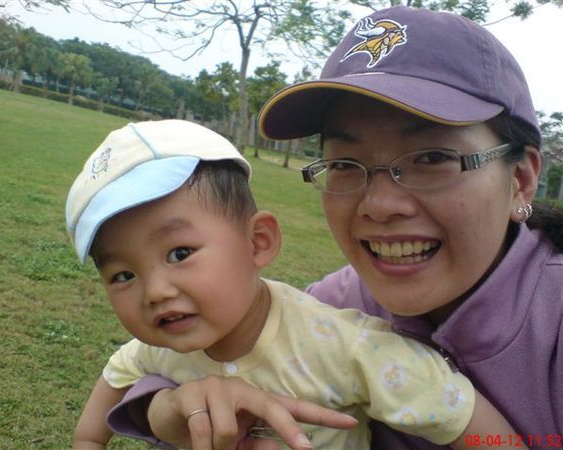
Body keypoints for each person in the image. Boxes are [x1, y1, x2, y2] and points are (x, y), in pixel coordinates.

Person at [105, 5, 563, 450]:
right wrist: (164, 410)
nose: (379, 204)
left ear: (520, 181)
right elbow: (186, 364)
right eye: (345, 163)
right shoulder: (329, 311)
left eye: (432, 158)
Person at [67, 119, 525, 450]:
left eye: (180, 254)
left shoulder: (342, 346)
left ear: (258, 242)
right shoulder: (153, 349)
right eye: (123, 274)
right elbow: (90, 432)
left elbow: (462, 415)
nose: (155, 291)